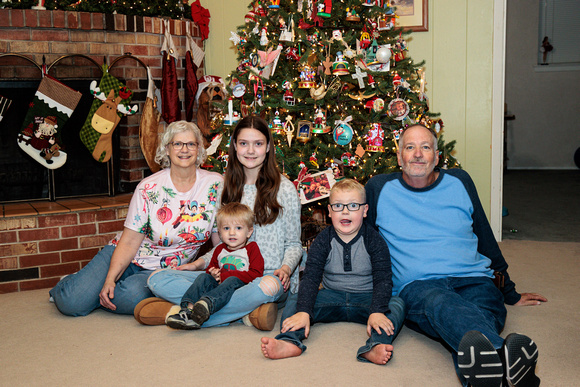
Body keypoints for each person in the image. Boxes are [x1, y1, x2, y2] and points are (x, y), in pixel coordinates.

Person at [365, 124, 547, 386]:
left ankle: (487, 375)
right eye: (410, 147)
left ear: (437, 156)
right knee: (442, 304)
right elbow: (366, 245)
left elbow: (484, 234)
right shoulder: (379, 187)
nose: (418, 154)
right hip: (420, 288)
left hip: (474, 278)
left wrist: (510, 292)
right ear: (398, 157)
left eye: (426, 147)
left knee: (479, 317)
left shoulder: (459, 181)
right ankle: (504, 357)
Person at [135, 115, 303, 330]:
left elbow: (294, 244)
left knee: (268, 287)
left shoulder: (285, 189)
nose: (250, 151)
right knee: (157, 279)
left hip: (266, 277)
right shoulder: (225, 189)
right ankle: (244, 314)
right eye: (244, 143)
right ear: (235, 146)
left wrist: (286, 269)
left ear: (268, 146)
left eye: (258, 144)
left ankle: (175, 312)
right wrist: (197, 265)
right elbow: (222, 247)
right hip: (224, 277)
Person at [49, 121, 223, 316]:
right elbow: (130, 241)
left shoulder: (214, 185)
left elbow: (219, 240)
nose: (184, 149)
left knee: (129, 297)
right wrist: (109, 279)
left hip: (162, 272)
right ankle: (73, 283)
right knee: (72, 303)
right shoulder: (148, 187)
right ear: (167, 149)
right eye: (177, 144)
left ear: (199, 148)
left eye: (191, 144)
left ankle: (93, 289)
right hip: (126, 254)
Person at [261, 179, 405, 365]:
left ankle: (376, 345)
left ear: (365, 210)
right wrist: (304, 311)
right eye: (338, 206)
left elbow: (383, 279)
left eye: (353, 205)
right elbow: (311, 277)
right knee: (297, 298)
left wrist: (377, 311)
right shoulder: (323, 241)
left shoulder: (375, 241)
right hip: (331, 298)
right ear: (329, 212)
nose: (345, 211)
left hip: (367, 301)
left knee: (396, 303)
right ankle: (289, 340)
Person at [166, 202, 264, 330]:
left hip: (239, 289)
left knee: (232, 279)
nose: (232, 233)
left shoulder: (252, 248)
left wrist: (226, 275)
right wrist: (212, 273)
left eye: (238, 228)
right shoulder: (219, 249)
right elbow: (210, 270)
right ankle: (188, 311)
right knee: (203, 277)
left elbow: (257, 273)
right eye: (226, 228)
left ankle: (206, 304)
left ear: (249, 232)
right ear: (219, 232)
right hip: (219, 289)